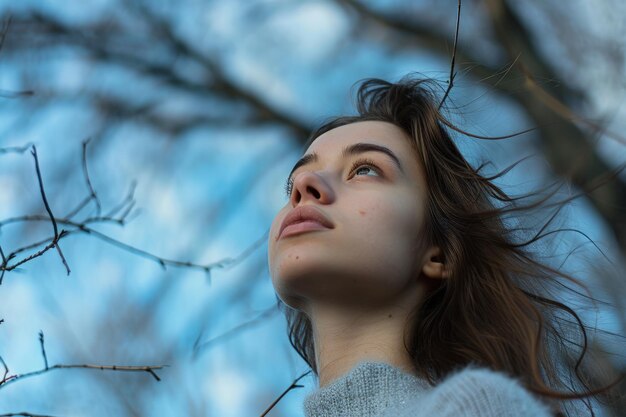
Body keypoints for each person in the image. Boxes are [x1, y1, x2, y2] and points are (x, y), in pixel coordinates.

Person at [267, 75, 623, 417]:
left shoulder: (477, 407)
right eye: (293, 182)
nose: (305, 185)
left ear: (438, 253)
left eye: (364, 170)